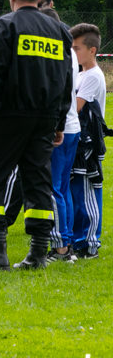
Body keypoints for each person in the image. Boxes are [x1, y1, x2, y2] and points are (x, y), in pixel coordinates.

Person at [0, 0, 73, 270]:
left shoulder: (5, 25)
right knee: (38, 182)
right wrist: (59, 123)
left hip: (8, 115)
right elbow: (66, 81)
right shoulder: (60, 31)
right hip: (44, 119)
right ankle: (38, 253)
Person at [70, 23, 107, 260]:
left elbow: (77, 107)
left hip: (88, 144)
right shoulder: (80, 73)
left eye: (77, 48)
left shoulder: (93, 76)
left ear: (92, 50)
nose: (74, 53)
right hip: (77, 140)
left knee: (87, 192)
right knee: (75, 191)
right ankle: (77, 239)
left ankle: (90, 243)